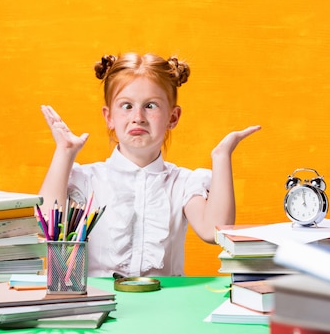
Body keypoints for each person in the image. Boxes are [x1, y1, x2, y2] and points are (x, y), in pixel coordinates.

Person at [39, 52, 261, 277]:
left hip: (165, 305)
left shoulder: (182, 183)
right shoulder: (87, 180)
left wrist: (221, 156)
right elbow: (46, 224)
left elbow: (214, 231)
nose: (138, 117)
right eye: (126, 106)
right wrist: (64, 153)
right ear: (109, 117)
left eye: (151, 106)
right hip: (99, 305)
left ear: (173, 117)